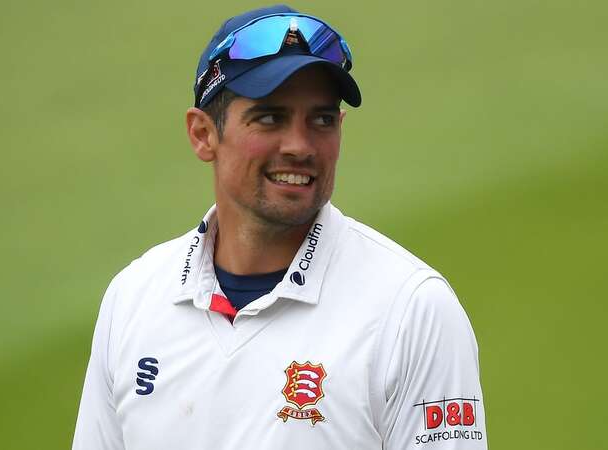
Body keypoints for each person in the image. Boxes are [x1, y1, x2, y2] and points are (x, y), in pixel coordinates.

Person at [72, 5, 487, 449]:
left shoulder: (411, 310)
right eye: (270, 118)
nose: (300, 146)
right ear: (203, 134)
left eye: (322, 119)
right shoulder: (134, 299)